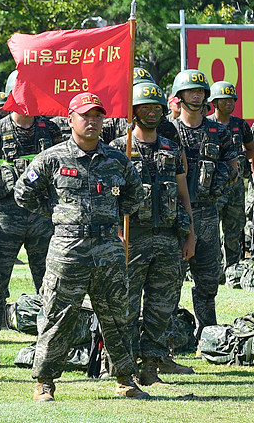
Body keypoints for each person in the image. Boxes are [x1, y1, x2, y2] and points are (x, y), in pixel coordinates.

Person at [14, 92, 148, 401]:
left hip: (108, 248)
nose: (92, 121)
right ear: (71, 119)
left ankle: (125, 379)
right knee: (57, 315)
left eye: (97, 115)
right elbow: (23, 192)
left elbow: (134, 196)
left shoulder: (117, 159)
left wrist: (113, 217)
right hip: (68, 249)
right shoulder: (53, 157)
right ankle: (44, 382)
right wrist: (57, 213)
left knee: (117, 315)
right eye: (86, 115)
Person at [110, 82, 196, 385]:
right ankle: (125, 368)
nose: (151, 113)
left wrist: (191, 234)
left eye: (157, 108)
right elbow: (108, 197)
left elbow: (184, 193)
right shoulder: (118, 149)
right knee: (127, 306)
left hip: (168, 239)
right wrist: (115, 233)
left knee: (162, 307)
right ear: (133, 112)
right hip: (131, 239)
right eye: (145, 108)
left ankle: (151, 367)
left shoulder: (172, 148)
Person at [0, 70, 61, 362]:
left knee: (48, 282)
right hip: (5, 217)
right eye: (23, 95)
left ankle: (46, 342)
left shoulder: (50, 130)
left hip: (42, 217)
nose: (28, 101)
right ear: (12, 97)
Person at [170, 70, 238, 342]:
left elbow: (234, 166)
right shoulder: (167, 130)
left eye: (199, 91)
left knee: (208, 279)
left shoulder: (218, 131)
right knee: (170, 279)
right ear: (180, 95)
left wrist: (214, 180)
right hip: (174, 216)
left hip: (207, 212)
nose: (196, 95)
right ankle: (169, 337)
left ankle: (206, 334)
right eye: (190, 91)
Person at [208, 81, 254, 275]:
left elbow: (251, 148)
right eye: (224, 100)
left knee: (235, 228)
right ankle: (214, 269)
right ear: (215, 102)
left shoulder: (240, 124)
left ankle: (232, 269)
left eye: (231, 100)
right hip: (213, 186)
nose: (229, 103)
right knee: (211, 229)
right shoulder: (207, 124)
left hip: (236, 186)